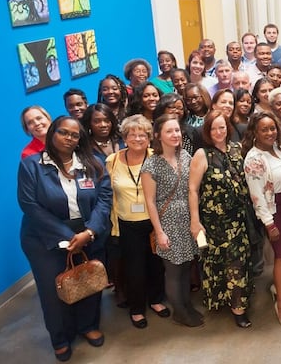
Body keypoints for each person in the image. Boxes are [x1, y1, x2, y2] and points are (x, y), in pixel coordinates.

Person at [17, 116, 111, 361]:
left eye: (75, 134)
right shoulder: (32, 165)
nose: (69, 138)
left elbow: (104, 201)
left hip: (89, 232)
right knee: (54, 290)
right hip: (43, 238)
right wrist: (70, 237)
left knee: (89, 280)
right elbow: (30, 206)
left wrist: (89, 233)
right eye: (63, 132)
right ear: (52, 133)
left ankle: (88, 326)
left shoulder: (95, 163)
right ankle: (60, 337)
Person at [187, 110, 253, 328]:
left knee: (238, 263)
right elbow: (193, 189)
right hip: (214, 223)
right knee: (217, 265)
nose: (218, 131)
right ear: (207, 131)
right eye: (213, 128)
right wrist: (195, 222)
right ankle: (224, 300)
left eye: (222, 127)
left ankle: (238, 308)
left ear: (228, 128)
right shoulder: (202, 155)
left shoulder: (237, 149)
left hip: (238, 220)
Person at [105, 115, 168, 330]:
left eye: (143, 134)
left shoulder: (157, 158)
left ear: (150, 138)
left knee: (156, 265)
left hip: (155, 222)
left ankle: (156, 300)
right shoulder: (112, 161)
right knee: (133, 269)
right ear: (124, 137)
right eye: (133, 134)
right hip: (127, 223)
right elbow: (107, 195)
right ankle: (137, 309)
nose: (138, 138)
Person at [141, 115, 202, 327]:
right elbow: (150, 202)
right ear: (158, 135)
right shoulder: (151, 165)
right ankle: (180, 311)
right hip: (167, 222)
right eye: (169, 131)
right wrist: (159, 232)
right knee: (174, 270)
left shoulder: (185, 155)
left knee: (186, 266)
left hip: (188, 218)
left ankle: (186, 305)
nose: (175, 135)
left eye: (177, 130)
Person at [242, 112, 281, 327]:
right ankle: (280, 304)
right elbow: (257, 196)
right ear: (255, 132)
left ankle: (278, 289)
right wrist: (269, 223)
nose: (270, 133)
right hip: (274, 212)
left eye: (272, 128)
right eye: (264, 129)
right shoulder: (254, 159)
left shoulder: (278, 149)